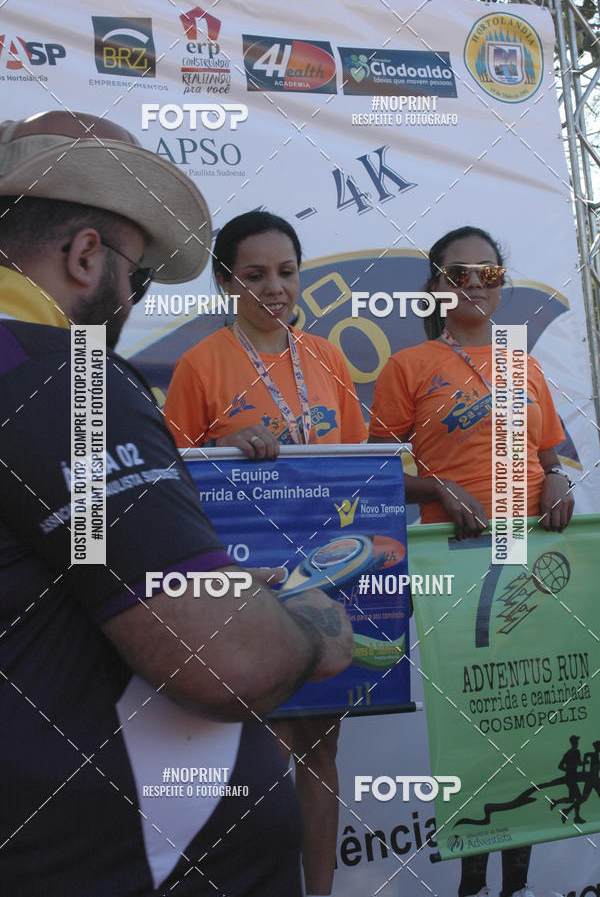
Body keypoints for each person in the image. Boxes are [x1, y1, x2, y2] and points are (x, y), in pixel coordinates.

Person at [0, 112, 354, 897]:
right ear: (85, 256)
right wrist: (309, 623)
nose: (133, 300)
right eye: (140, 277)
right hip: (121, 859)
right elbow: (230, 661)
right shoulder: (67, 377)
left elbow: (80, 561)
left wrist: (198, 586)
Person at [164, 210, 368, 896]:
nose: (274, 288)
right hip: (248, 581)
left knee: (322, 746)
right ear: (226, 281)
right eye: (254, 275)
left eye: (286, 272)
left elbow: (358, 466)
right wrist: (220, 449)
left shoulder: (328, 357)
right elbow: (170, 476)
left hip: (325, 576)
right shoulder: (200, 363)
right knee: (265, 755)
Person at [369, 226, 573, 897]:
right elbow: (372, 472)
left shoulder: (525, 365)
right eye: (459, 274)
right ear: (435, 287)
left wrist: (559, 480)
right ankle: (471, 882)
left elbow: (549, 457)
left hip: (535, 565)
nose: (476, 285)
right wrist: (435, 488)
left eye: (489, 272)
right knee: (476, 729)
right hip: (455, 568)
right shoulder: (409, 366)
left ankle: (516, 886)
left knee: (531, 725)